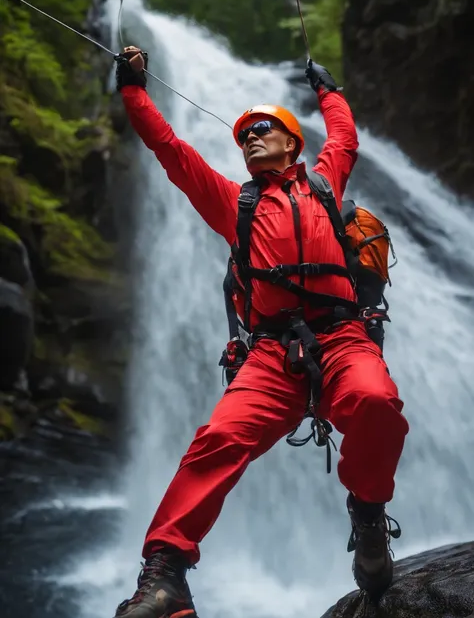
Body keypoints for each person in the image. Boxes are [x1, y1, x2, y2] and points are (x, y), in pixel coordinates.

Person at [112, 46, 409, 618]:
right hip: (272, 352)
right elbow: (171, 151)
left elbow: (344, 138)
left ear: (293, 143)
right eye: (245, 133)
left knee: (376, 403)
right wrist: (133, 89)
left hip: (344, 337)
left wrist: (330, 93)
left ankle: (368, 515)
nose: (250, 136)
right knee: (217, 441)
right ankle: (165, 575)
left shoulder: (325, 185)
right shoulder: (234, 204)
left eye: (265, 128)